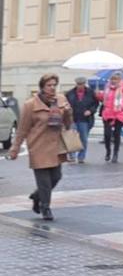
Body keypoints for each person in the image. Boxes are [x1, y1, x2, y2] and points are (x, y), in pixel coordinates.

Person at [9, 74, 73, 221]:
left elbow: (68, 124)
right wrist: (15, 148)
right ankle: (45, 207)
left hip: (56, 146)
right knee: (44, 181)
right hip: (38, 147)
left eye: (54, 85)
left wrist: (69, 112)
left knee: (56, 177)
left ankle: (37, 196)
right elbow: (22, 129)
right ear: (42, 87)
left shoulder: (61, 100)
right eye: (49, 85)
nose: (52, 88)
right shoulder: (31, 104)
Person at [101, 71, 123, 163]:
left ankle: (115, 154)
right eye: (112, 79)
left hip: (119, 114)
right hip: (108, 114)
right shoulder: (107, 87)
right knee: (107, 135)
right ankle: (108, 151)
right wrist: (98, 95)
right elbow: (104, 99)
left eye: (116, 79)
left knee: (117, 134)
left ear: (120, 80)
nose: (113, 81)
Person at [65, 77, 99, 163]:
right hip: (73, 118)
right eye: (78, 84)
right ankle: (72, 156)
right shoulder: (70, 93)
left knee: (83, 138)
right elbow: (65, 104)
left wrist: (90, 111)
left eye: (82, 84)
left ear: (85, 84)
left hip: (85, 119)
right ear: (76, 84)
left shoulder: (90, 93)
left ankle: (81, 156)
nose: (80, 86)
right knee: (72, 137)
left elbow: (95, 104)